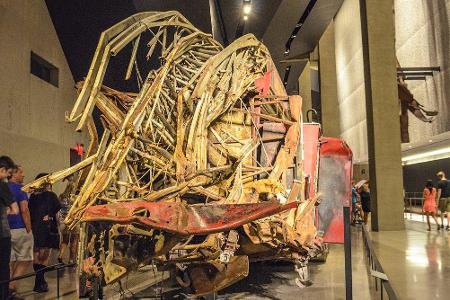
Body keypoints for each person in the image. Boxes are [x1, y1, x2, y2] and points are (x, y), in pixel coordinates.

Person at [28, 173, 61, 293]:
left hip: (35, 227)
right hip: (48, 228)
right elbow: (57, 214)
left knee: (36, 253)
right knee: (45, 255)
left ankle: (39, 282)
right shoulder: (51, 195)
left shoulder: (32, 197)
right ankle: (40, 282)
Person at [7, 165, 33, 298]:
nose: (23, 175)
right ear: (14, 174)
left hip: (6, 230)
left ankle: (6, 289)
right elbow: (24, 210)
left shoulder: (3, 188)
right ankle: (11, 288)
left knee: (10, 261)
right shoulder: (20, 189)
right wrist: (29, 229)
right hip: (20, 228)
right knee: (25, 259)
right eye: (21, 172)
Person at [0, 156, 19, 300]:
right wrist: (5, 211)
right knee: (3, 268)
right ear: (2, 170)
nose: (8, 177)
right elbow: (15, 209)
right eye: (8, 173)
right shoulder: (2, 185)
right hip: (2, 233)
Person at [58, 176, 79, 265]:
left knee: (65, 240)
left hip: (64, 220)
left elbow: (58, 208)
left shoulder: (61, 197)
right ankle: (71, 260)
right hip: (74, 221)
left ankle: (61, 255)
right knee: (74, 240)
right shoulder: (77, 198)